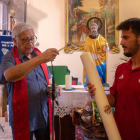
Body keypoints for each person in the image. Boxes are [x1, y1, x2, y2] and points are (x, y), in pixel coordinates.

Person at [0, 22, 59, 140]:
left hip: (42, 113)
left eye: (32, 38)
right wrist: (39, 59)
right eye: (25, 39)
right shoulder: (9, 57)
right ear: (15, 41)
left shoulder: (37, 53)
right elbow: (8, 75)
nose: (30, 43)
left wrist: (54, 88)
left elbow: (47, 79)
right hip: (23, 115)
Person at [87, 18, 140, 140]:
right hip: (117, 134)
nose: (121, 42)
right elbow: (114, 99)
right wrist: (98, 92)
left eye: (126, 38)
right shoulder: (121, 69)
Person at [83, 22, 109, 87]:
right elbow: (86, 51)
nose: (93, 29)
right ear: (90, 29)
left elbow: (105, 50)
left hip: (99, 62)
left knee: (99, 78)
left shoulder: (101, 38)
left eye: (94, 28)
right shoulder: (88, 39)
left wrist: (106, 47)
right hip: (91, 63)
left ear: (97, 28)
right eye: (92, 28)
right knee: (90, 78)